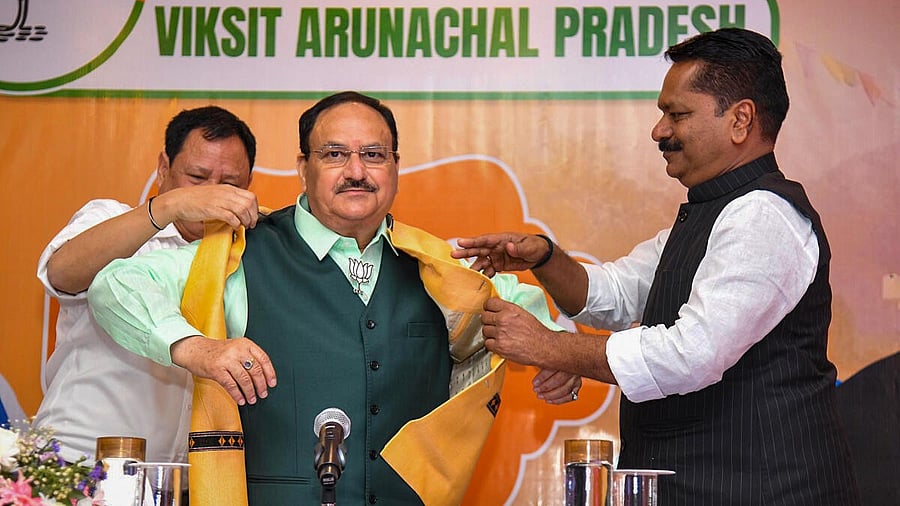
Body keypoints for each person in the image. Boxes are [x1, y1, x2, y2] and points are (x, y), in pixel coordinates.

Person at [87, 91, 577, 504]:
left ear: (395, 167)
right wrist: (196, 348)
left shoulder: (436, 266)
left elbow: (523, 311)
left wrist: (556, 352)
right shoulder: (236, 253)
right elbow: (114, 284)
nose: (356, 171)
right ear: (304, 167)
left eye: (374, 155)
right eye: (335, 154)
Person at [451, 28, 861, 505]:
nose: (659, 130)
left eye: (678, 114)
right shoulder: (711, 213)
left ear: (740, 120)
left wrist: (549, 346)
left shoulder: (762, 215)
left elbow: (691, 355)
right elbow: (611, 295)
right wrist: (542, 256)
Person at [34, 105, 259, 464]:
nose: (211, 194)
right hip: (80, 457)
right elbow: (61, 274)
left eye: (229, 184)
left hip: (184, 476)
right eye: (197, 178)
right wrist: (169, 207)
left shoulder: (249, 255)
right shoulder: (111, 218)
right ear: (164, 168)